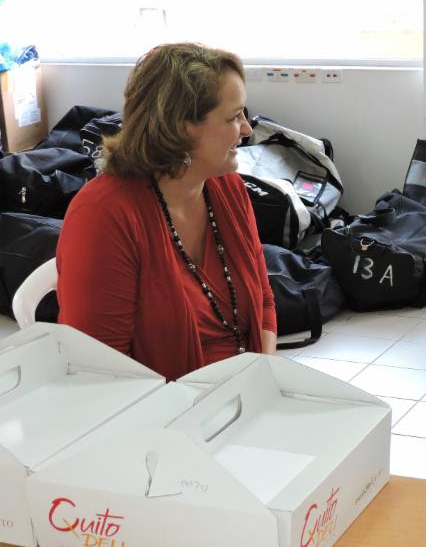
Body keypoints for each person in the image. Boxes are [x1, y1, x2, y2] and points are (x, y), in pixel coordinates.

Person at [57, 43, 277, 382]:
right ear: (181, 128)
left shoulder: (227, 188)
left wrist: (262, 379)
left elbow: (263, 303)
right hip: (159, 407)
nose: (247, 129)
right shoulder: (104, 215)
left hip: (240, 392)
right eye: (233, 117)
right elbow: (99, 373)